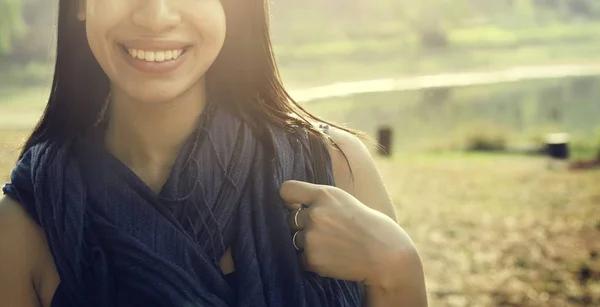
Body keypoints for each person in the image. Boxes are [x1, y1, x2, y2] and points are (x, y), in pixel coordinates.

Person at [0, 0, 427, 306]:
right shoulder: (27, 222)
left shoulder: (333, 167)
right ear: (79, 5)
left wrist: (397, 269)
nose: (156, 14)